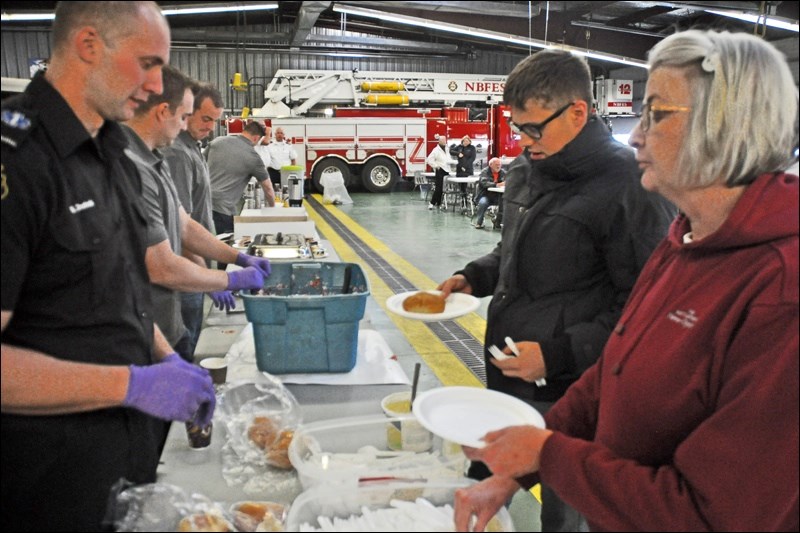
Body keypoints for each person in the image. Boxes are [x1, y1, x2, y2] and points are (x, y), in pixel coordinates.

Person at [454, 30, 799, 532]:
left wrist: (550, 453)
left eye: (656, 114)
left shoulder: (780, 295)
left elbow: (713, 515)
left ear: (728, 126)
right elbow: (615, 366)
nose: (636, 135)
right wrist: (523, 462)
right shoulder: (685, 240)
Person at [437, 49, 675, 531]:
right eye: (517, 126)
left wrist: (558, 354)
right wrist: (475, 276)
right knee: (489, 487)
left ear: (578, 112)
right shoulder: (529, 169)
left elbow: (645, 310)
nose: (524, 141)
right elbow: (515, 253)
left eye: (534, 128)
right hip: (510, 377)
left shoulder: (629, 185)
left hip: (574, 390)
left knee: (565, 514)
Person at [0, 3, 215, 531]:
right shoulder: (18, 163)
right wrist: (130, 385)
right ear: (89, 45)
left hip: (120, 464)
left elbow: (120, 292)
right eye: (146, 63)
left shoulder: (112, 151)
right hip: (44, 485)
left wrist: (167, 360)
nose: (155, 85)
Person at [122, 65, 269, 362]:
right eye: (184, 116)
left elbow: (185, 225)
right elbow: (160, 266)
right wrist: (223, 281)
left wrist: (236, 259)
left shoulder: (156, 160)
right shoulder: (141, 164)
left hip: (165, 319)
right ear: (164, 111)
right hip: (146, 327)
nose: (184, 125)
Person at [162, 81, 225, 357]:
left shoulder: (192, 147)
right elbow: (181, 226)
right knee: (186, 344)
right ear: (187, 112)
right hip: (187, 267)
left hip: (195, 264)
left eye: (215, 121)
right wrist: (207, 278)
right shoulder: (177, 153)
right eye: (206, 118)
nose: (210, 126)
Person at [207, 120, 274, 257]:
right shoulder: (253, 156)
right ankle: (224, 275)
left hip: (201, 201)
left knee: (201, 243)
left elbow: (199, 164)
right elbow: (267, 188)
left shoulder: (218, 141)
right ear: (256, 138)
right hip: (222, 206)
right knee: (226, 245)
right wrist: (272, 209)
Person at [472, 157, 506, 229]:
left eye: (499, 164)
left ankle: (498, 222)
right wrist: (497, 185)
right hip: (485, 195)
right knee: (483, 203)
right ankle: (479, 222)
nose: (498, 166)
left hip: (498, 195)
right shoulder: (484, 172)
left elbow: (508, 180)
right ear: (490, 165)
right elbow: (484, 183)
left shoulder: (503, 172)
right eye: (496, 164)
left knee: (505, 203)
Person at [266, 126, 298, 191]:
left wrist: (292, 172)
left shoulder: (288, 145)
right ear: (275, 134)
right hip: (273, 173)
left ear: (283, 135)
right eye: (278, 133)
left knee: (286, 191)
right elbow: (266, 160)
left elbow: (293, 159)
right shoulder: (269, 146)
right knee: (273, 192)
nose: (279, 135)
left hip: (286, 173)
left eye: (281, 133)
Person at [426, 135, 451, 210]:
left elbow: (448, 158)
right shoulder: (436, 150)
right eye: (443, 140)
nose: (444, 141)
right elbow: (429, 160)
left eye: (445, 140)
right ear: (439, 141)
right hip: (440, 170)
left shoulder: (447, 148)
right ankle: (432, 203)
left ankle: (439, 202)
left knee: (443, 188)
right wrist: (436, 166)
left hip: (447, 170)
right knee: (439, 188)